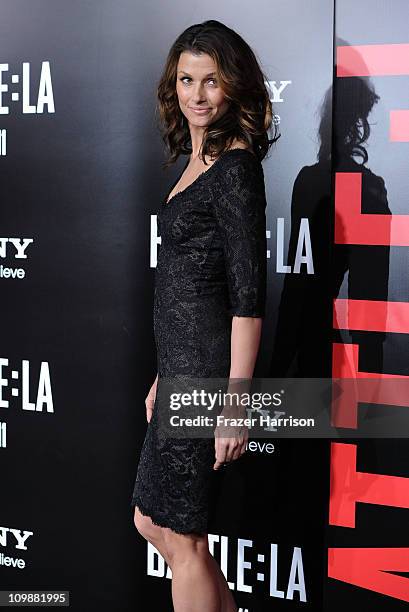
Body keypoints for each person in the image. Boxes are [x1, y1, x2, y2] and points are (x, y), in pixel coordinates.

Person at [130, 19, 279, 612]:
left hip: (210, 380)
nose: (197, 94)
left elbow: (247, 296)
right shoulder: (198, 161)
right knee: (153, 522)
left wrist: (235, 402)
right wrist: (166, 374)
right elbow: (188, 290)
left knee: (183, 539)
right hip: (183, 370)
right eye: (187, 79)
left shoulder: (237, 171)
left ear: (232, 86)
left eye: (211, 81)